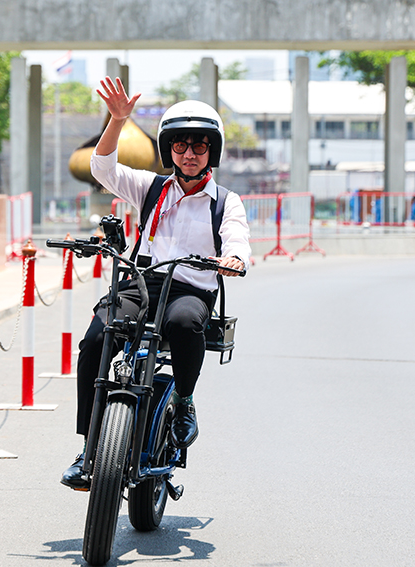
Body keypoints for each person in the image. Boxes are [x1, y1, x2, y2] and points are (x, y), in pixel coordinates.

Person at [61, 77, 251, 490]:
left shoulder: (225, 202)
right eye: (180, 145)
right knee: (95, 341)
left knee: (184, 325)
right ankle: (88, 448)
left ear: (211, 151)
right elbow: (102, 168)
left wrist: (233, 259)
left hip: (190, 290)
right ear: (168, 149)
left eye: (198, 145)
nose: (188, 153)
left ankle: (183, 401)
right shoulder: (151, 188)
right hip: (142, 286)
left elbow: (237, 239)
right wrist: (116, 120)